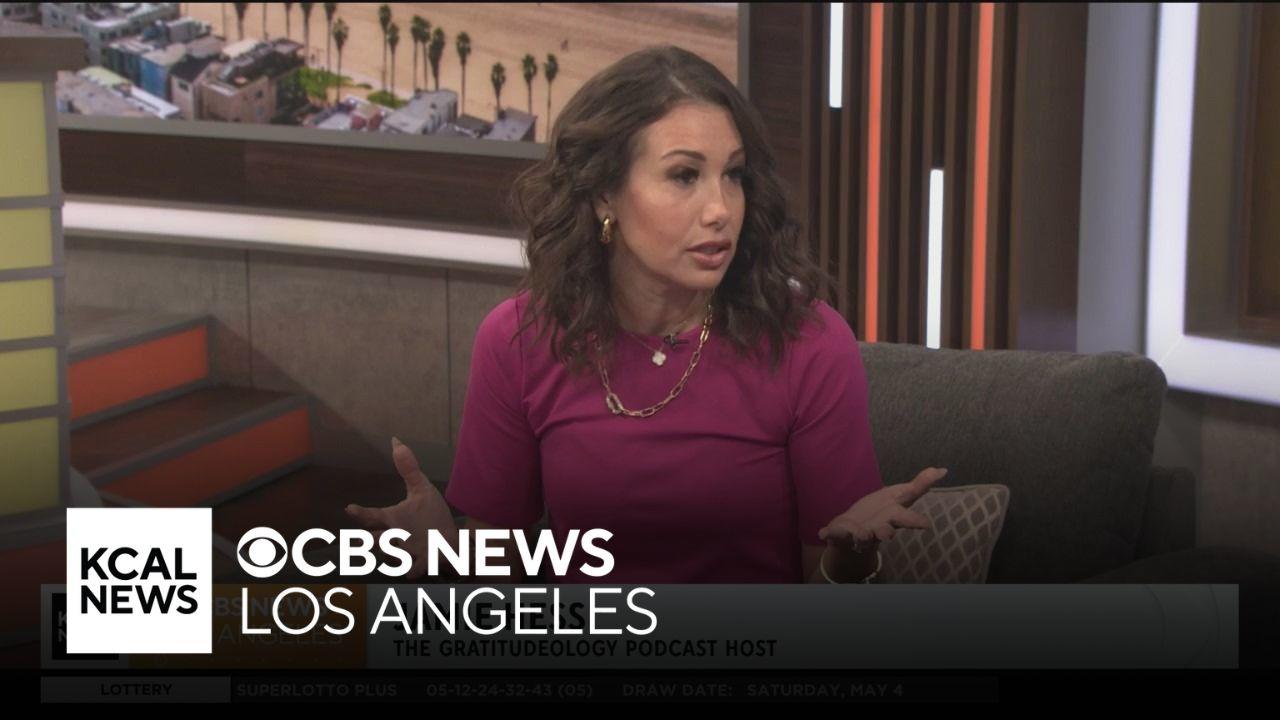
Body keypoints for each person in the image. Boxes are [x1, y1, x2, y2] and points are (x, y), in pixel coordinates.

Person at [345, 45, 945, 584]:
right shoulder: (519, 338)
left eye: (733, 175)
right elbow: (502, 561)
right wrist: (450, 550)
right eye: (684, 175)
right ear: (604, 193)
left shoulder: (807, 341)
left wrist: (849, 562)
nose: (720, 209)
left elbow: (829, 587)